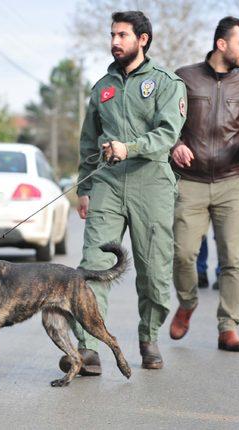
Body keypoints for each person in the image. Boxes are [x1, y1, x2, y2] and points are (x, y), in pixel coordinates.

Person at [63, 10, 187, 373]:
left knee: (154, 269)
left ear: (142, 40)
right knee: (94, 266)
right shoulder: (102, 87)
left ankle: (149, 337)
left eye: (123, 35)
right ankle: (88, 348)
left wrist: (128, 148)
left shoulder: (167, 83)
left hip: (152, 182)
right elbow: (89, 141)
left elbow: (168, 133)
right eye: (112, 35)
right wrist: (84, 187)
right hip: (108, 183)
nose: (115, 41)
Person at [168, 16, 239, 352]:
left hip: (230, 181)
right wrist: (174, 145)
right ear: (221, 44)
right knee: (182, 255)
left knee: (233, 260)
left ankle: (228, 327)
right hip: (190, 182)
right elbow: (167, 124)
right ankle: (188, 302)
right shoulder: (184, 77)